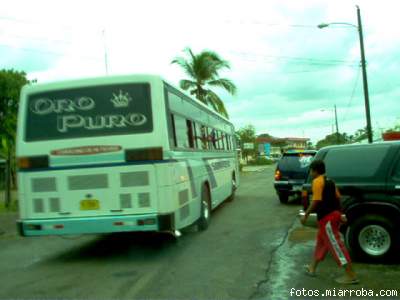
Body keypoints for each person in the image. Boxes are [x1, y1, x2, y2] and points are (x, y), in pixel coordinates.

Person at [301, 159, 359, 284]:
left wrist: (305, 215)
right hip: (331, 216)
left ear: (315, 171)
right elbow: (338, 199)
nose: (310, 173)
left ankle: (351, 276)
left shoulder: (317, 182)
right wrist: (341, 214)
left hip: (327, 218)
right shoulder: (330, 181)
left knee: (336, 245)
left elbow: (315, 201)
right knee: (321, 244)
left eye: (311, 171)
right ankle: (312, 268)